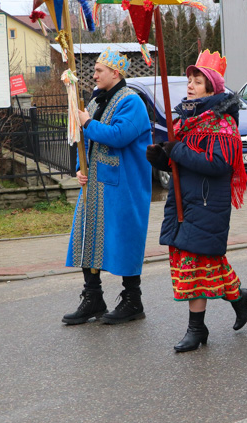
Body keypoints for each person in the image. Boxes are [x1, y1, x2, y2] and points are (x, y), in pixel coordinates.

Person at [148, 50, 247, 352]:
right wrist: (162, 160)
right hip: (185, 202)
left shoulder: (221, 124)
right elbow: (183, 164)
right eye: (190, 80)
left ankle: (196, 329)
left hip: (208, 204)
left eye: (198, 81)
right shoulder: (188, 120)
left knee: (195, 265)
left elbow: (219, 164)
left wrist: (176, 152)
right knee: (203, 262)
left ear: (212, 87)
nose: (191, 85)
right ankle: (237, 296)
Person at [63, 48, 152, 326]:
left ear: (115, 73)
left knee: (124, 238)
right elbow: (84, 142)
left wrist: (87, 121)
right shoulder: (95, 102)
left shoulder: (131, 102)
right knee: (87, 236)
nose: (94, 74)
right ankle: (93, 297)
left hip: (124, 184)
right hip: (96, 184)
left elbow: (119, 136)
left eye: (99, 70)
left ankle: (132, 299)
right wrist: (81, 168)